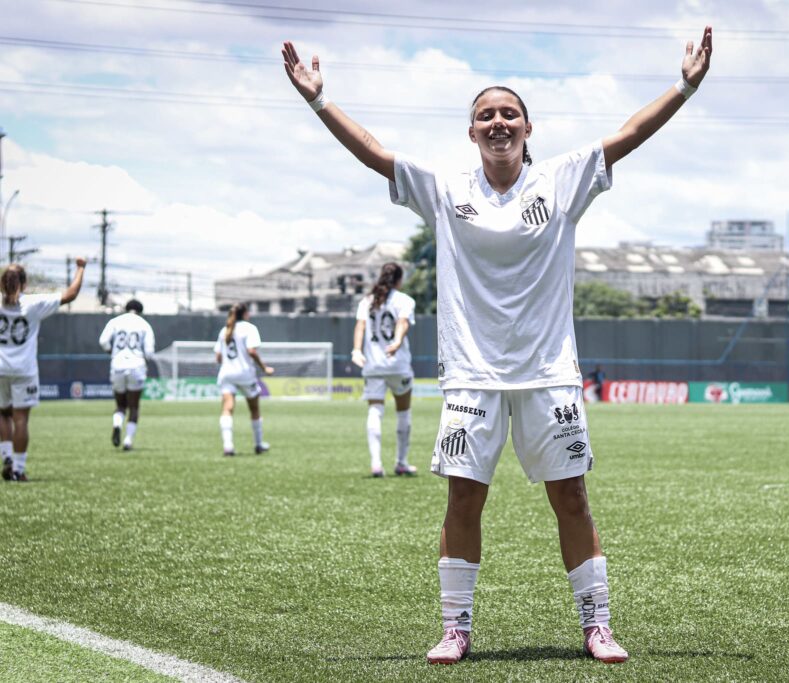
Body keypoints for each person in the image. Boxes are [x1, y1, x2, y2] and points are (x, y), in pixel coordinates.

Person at [283, 23, 712, 665]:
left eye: (509, 113)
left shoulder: (563, 181)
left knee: (571, 497)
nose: (498, 122)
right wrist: (318, 101)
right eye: (486, 115)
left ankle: (597, 625)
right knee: (463, 498)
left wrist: (683, 86)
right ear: (473, 131)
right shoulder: (447, 190)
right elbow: (375, 153)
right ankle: (456, 629)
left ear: (528, 128)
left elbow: (627, 135)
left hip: (549, 375)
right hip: (471, 378)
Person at [0, 259, 87, 482]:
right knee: (20, 419)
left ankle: (6, 456)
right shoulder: (33, 304)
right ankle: (18, 469)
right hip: (24, 370)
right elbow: (70, 294)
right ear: (25, 283)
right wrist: (80, 268)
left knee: (2, 414)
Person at [351, 262, 417, 477]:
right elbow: (403, 323)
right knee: (403, 412)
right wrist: (397, 342)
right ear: (399, 279)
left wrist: (356, 350)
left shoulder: (366, 301)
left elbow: (360, 326)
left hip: (373, 365)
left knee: (375, 411)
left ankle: (376, 464)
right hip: (397, 364)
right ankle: (401, 462)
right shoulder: (404, 300)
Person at [214, 303, 274, 456]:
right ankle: (258, 444)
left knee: (227, 408)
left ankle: (228, 446)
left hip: (227, 373)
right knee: (254, 409)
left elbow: (218, 357)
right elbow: (252, 351)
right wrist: (264, 367)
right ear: (246, 313)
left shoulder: (225, 330)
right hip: (245, 373)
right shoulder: (249, 328)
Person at [99, 299, 155, 451]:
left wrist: (113, 352)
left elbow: (103, 341)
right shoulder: (144, 325)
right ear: (140, 311)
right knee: (134, 406)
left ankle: (117, 424)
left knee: (120, 405)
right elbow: (149, 352)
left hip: (117, 364)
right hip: (136, 365)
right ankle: (128, 441)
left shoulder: (115, 321)